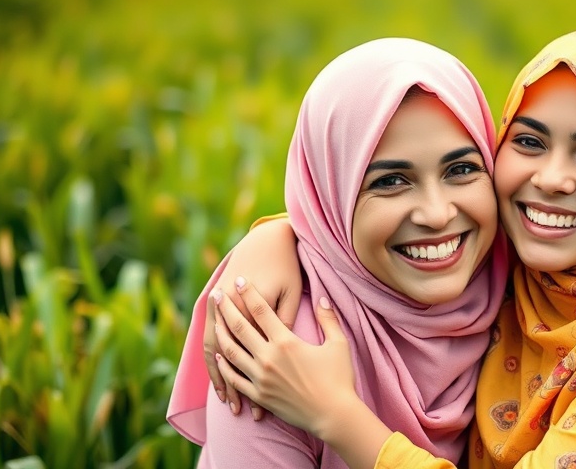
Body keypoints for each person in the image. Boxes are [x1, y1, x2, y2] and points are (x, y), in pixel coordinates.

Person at [212, 27, 576, 467]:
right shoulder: (522, 277)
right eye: (528, 140)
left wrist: (336, 417)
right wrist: (279, 235)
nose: (548, 178)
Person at [166, 37, 509, 468]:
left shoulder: (525, 296)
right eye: (390, 181)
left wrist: (273, 234)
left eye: (461, 169)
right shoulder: (280, 349)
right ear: (330, 195)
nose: (438, 214)